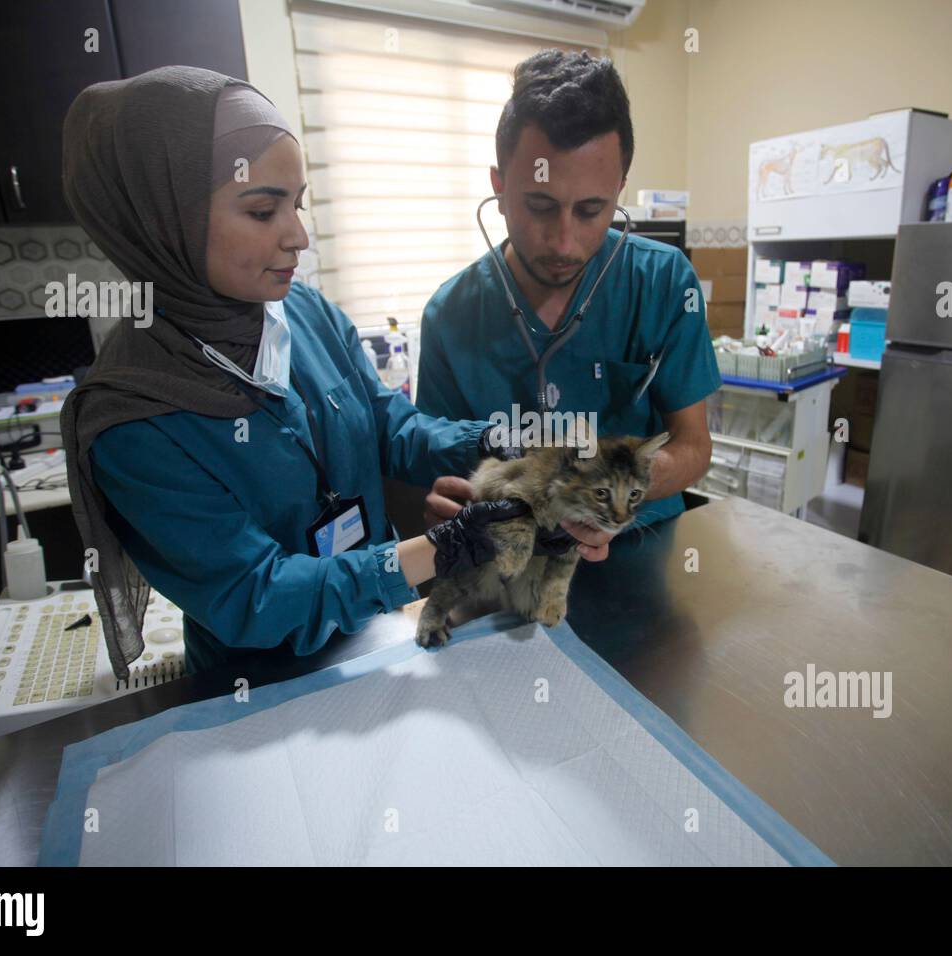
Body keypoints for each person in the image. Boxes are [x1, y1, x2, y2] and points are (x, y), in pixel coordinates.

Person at [58, 66, 602, 677]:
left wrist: (490, 442)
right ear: (165, 221)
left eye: (299, 203)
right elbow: (256, 595)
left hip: (375, 635)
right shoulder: (133, 420)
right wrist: (442, 550)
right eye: (264, 211)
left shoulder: (302, 312)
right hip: (256, 681)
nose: (299, 236)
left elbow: (385, 424)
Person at [417, 50, 719, 534]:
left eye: (590, 210)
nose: (563, 241)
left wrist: (609, 498)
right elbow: (436, 461)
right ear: (498, 188)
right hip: (512, 558)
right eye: (539, 205)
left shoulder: (663, 283)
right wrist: (444, 502)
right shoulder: (449, 316)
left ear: (619, 189)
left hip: (635, 547)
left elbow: (693, 445)